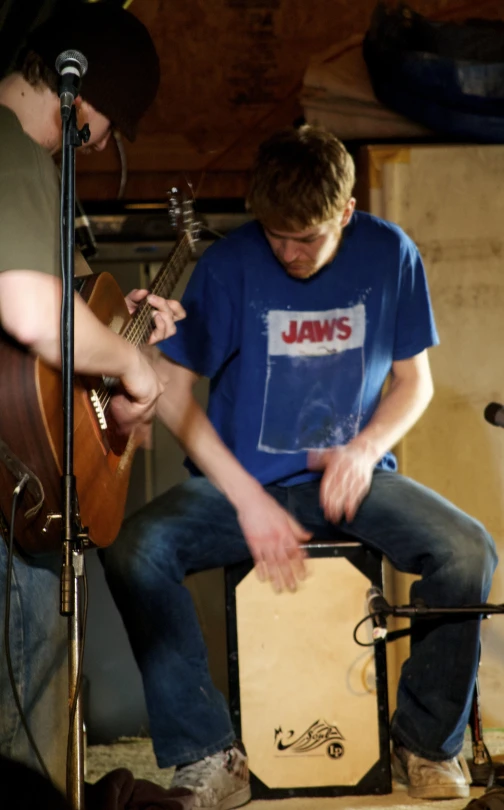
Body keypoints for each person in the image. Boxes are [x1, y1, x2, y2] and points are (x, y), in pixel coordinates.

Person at [101, 125, 498, 808]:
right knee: (135, 548)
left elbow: (414, 383)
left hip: (355, 480)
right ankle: (207, 754)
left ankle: (427, 743)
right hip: (241, 488)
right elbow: (171, 390)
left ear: (345, 213)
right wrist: (247, 499)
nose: (288, 252)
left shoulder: (391, 255)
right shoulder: (230, 266)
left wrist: (365, 449)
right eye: (275, 234)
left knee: (468, 552)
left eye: (306, 237)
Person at [0, 3, 185, 792]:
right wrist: (135, 368)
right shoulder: (9, 150)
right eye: (111, 125)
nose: (106, 144)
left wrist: (109, 323)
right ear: (82, 101)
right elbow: (27, 309)